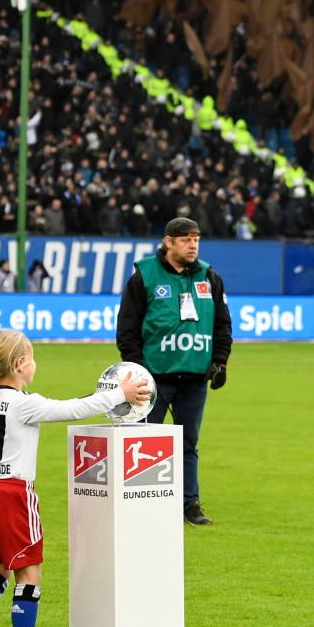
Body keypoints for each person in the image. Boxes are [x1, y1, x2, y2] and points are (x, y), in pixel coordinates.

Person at [0, 329, 151, 627]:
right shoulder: (24, 403)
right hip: (13, 494)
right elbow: (75, 409)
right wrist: (119, 393)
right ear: (19, 364)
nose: (34, 364)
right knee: (29, 574)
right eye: (31, 358)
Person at [116, 218, 232, 526]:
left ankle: (189, 504)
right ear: (169, 242)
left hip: (194, 379)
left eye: (196, 239)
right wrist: (136, 369)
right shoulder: (144, 276)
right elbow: (127, 327)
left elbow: (222, 323)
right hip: (153, 379)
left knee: (188, 444)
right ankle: (142, 503)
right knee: (144, 443)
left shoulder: (210, 276)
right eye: (186, 240)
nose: (193, 245)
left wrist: (220, 362)